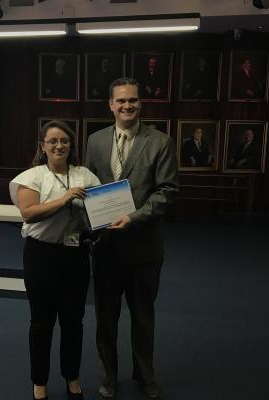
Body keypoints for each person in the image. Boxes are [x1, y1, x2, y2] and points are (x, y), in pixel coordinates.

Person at [85, 78, 179, 400]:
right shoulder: (95, 141)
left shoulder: (160, 142)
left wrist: (134, 218)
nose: (128, 106)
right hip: (106, 249)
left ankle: (145, 376)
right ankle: (108, 377)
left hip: (144, 249)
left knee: (142, 318)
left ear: (141, 104)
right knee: (105, 319)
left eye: (134, 101)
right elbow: (90, 186)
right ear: (110, 104)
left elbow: (167, 192)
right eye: (121, 101)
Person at [9, 120, 100, 400]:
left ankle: (72, 376)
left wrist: (102, 224)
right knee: (42, 322)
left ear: (72, 145)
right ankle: (39, 381)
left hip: (76, 255)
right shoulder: (31, 176)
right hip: (41, 256)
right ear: (43, 146)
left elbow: (101, 212)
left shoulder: (85, 175)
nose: (59, 146)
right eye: (53, 141)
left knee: (74, 321)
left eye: (65, 141)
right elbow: (29, 213)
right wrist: (65, 198)